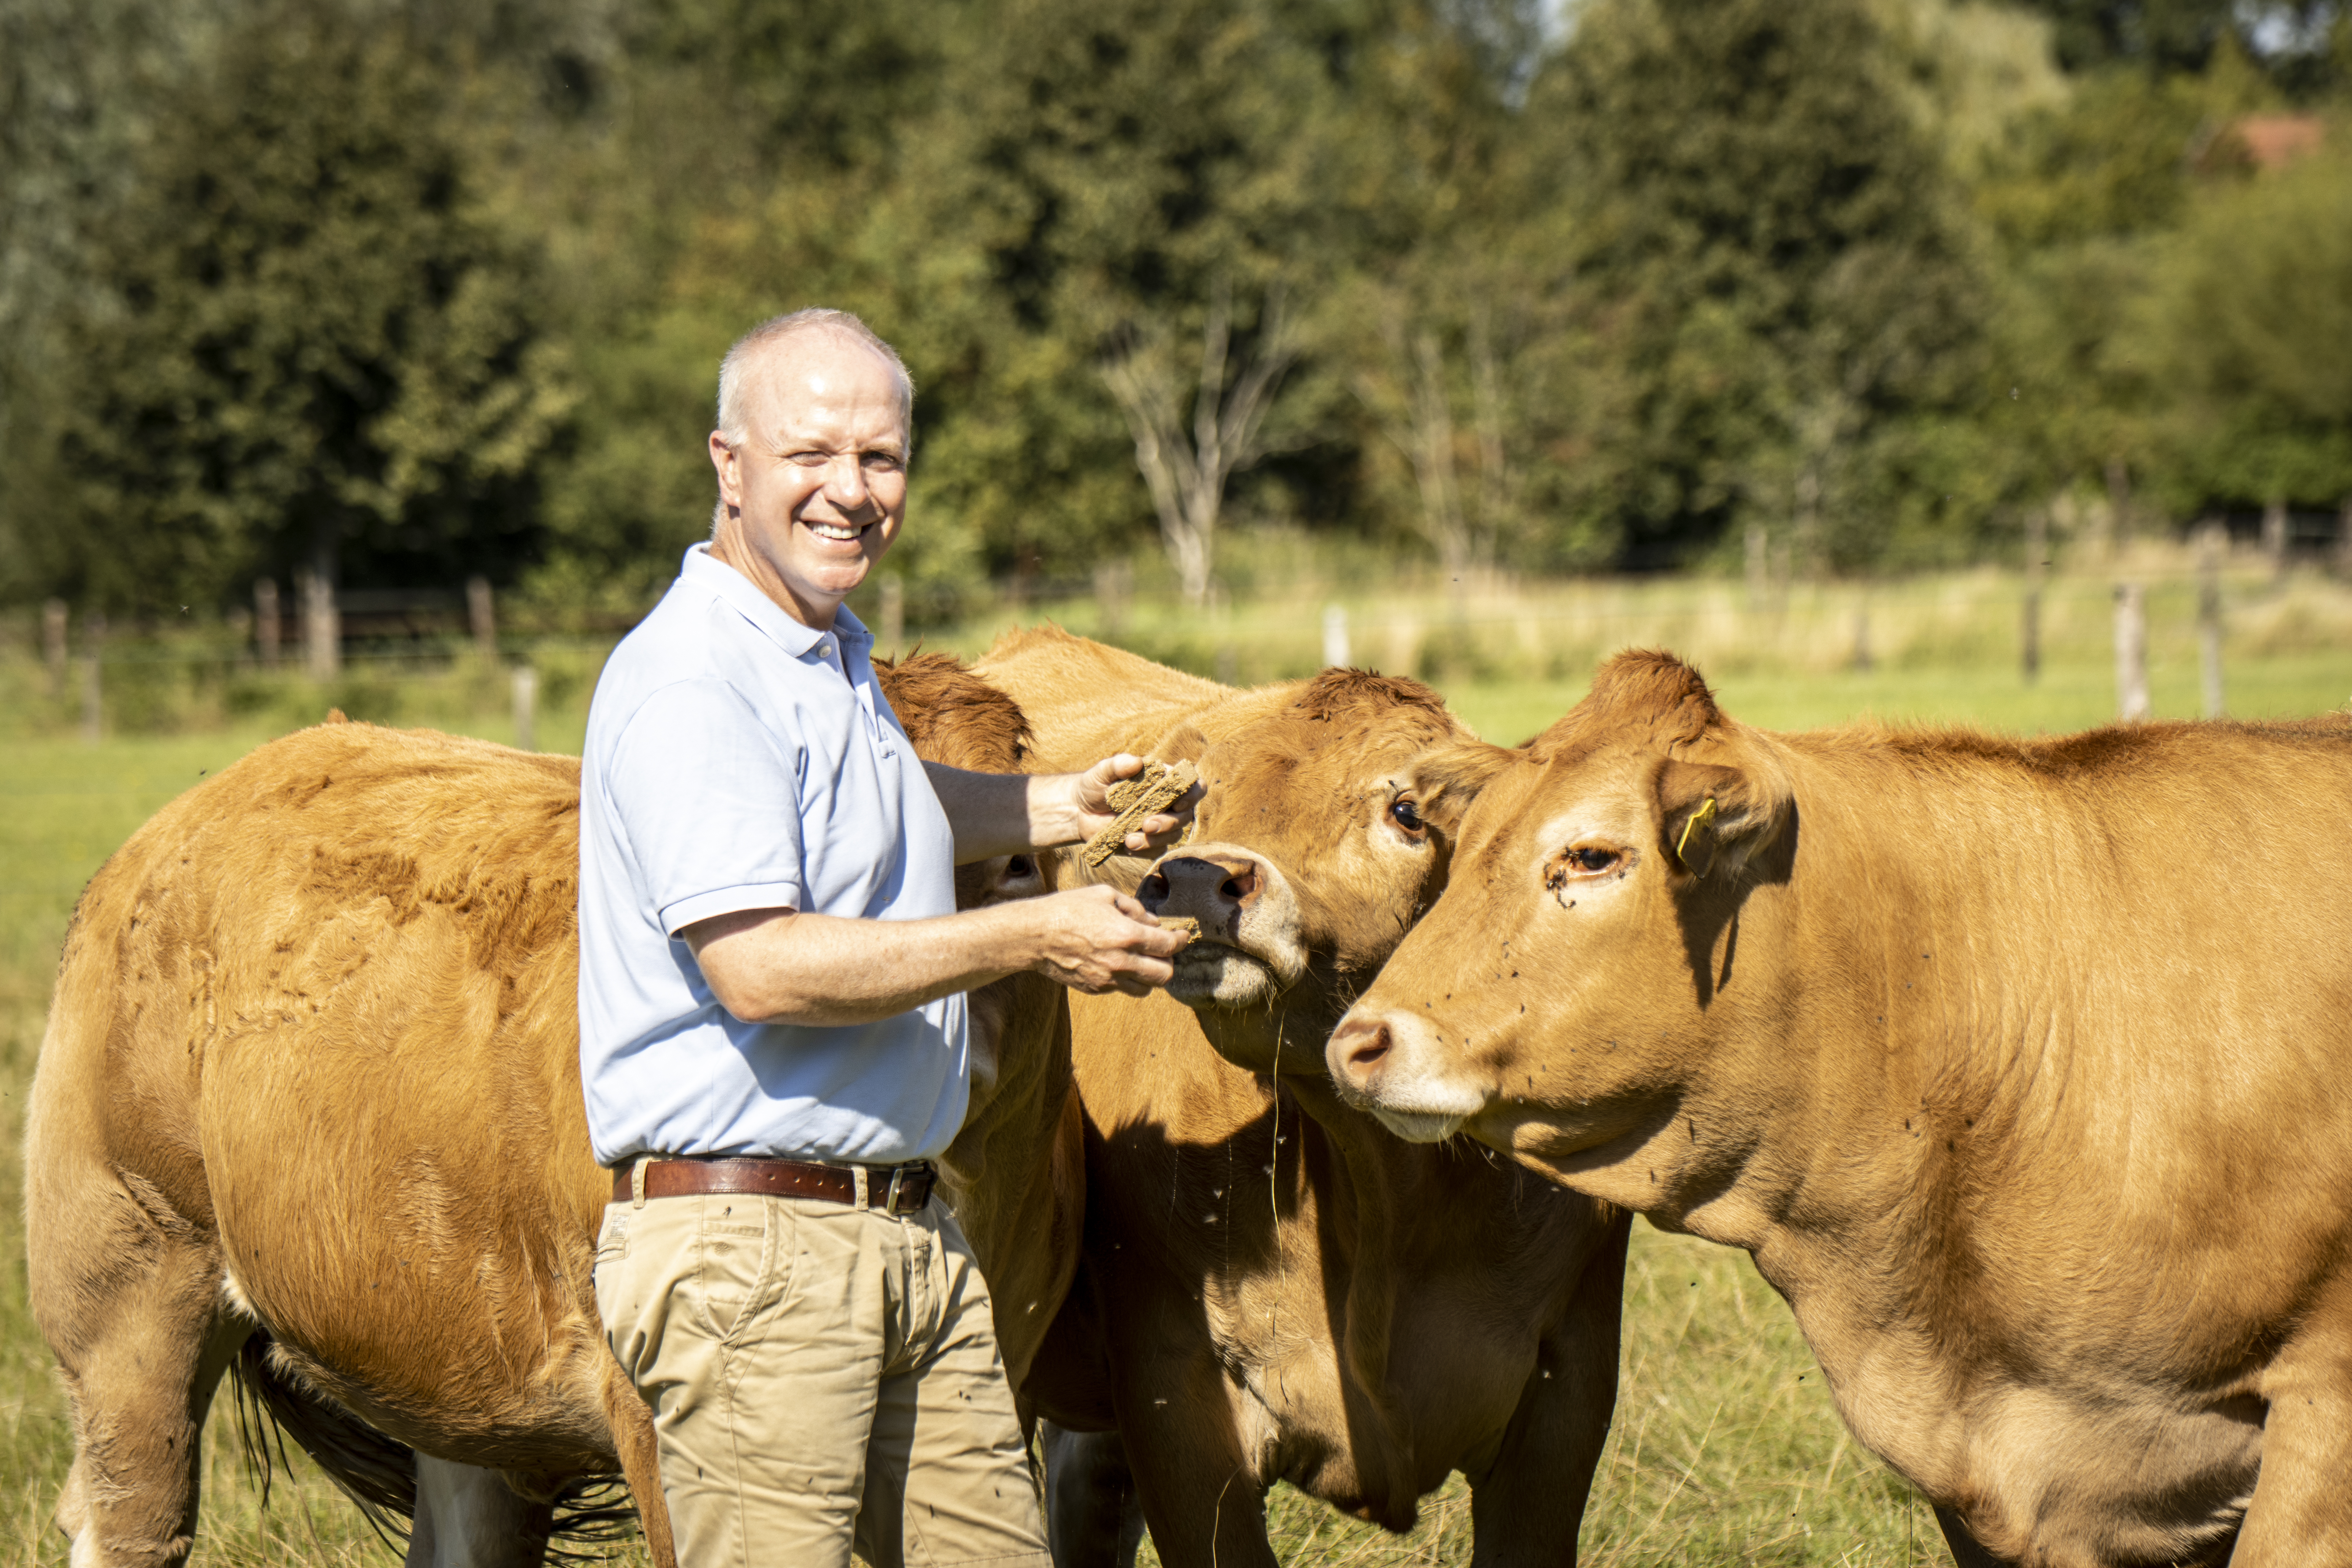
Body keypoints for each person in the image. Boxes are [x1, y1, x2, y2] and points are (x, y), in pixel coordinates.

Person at [579, 308, 1191, 1568]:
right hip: (754, 1248)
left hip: (906, 1230)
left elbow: (877, 802)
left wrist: (1057, 808)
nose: (851, 492)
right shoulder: (699, 676)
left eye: (881, 458)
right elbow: (759, 966)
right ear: (728, 463)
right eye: (812, 455)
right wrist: (1029, 934)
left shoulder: (821, 652)